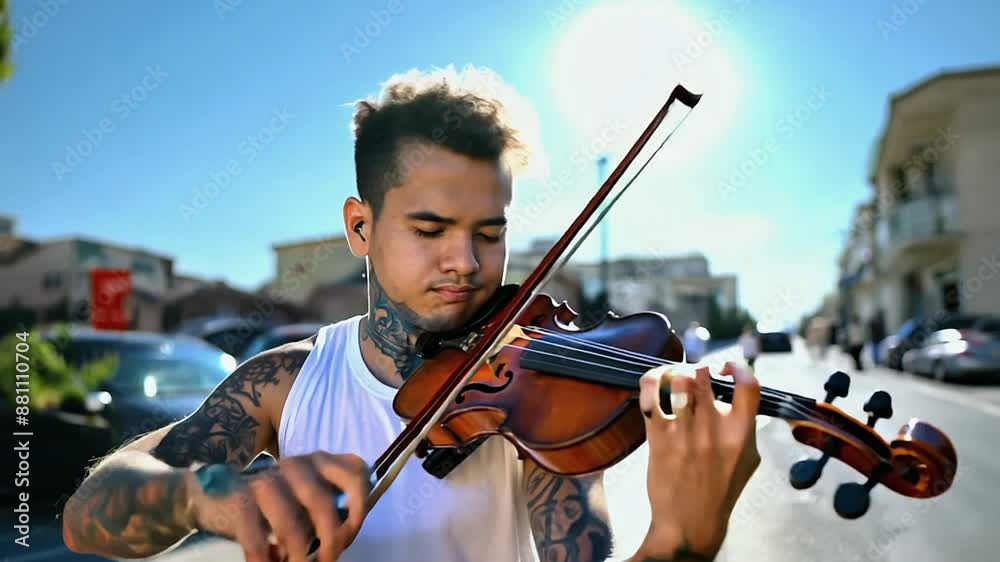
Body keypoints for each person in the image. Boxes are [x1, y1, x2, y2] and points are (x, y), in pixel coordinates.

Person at [60, 65, 761, 562]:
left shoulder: (540, 402)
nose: (467, 262)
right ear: (361, 229)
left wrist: (679, 544)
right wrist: (199, 496)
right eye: (430, 230)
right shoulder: (285, 383)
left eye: (490, 233)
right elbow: (86, 517)